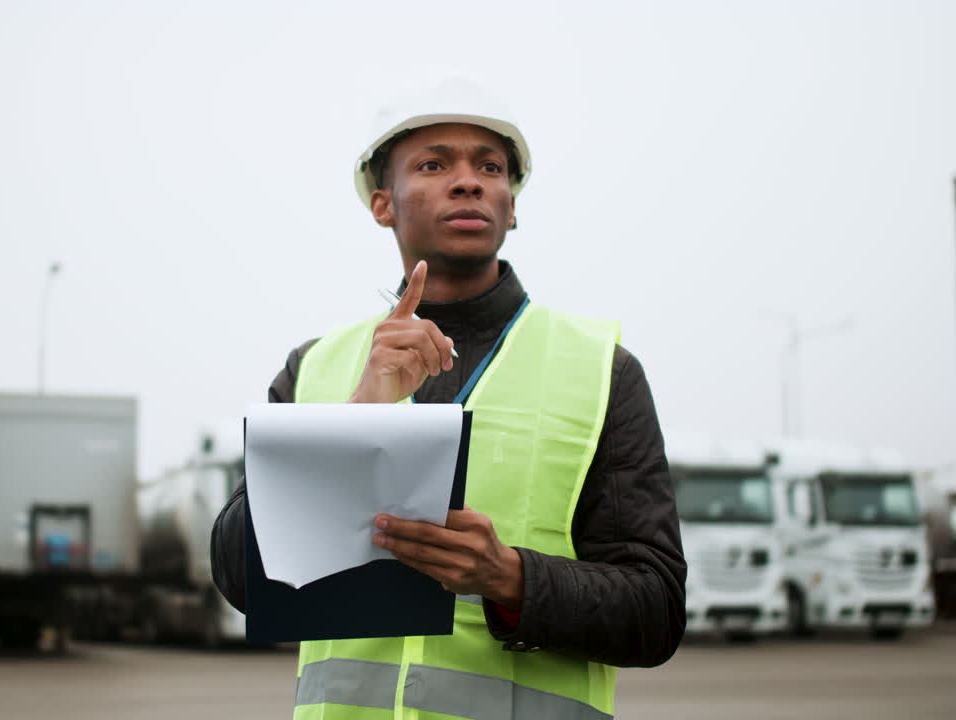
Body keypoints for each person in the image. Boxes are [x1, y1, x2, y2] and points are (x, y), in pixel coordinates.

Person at [211, 80, 685, 720]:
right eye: (435, 164)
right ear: (383, 203)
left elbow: (655, 609)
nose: (470, 183)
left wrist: (511, 578)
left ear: (511, 205)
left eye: (491, 167)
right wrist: (357, 416)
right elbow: (240, 576)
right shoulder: (314, 369)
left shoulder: (603, 369)